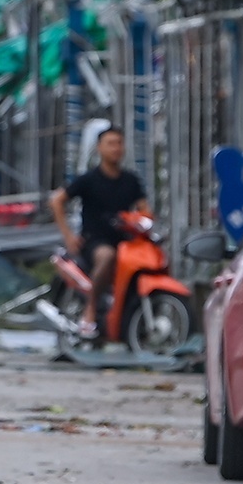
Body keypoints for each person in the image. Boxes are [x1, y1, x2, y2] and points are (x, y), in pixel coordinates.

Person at [48, 127, 148, 337]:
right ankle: (90, 309)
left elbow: (145, 210)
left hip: (126, 241)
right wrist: (68, 236)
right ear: (99, 148)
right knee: (107, 256)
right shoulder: (89, 180)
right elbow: (57, 201)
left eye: (119, 143)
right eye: (110, 143)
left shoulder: (131, 180)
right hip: (96, 241)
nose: (116, 148)